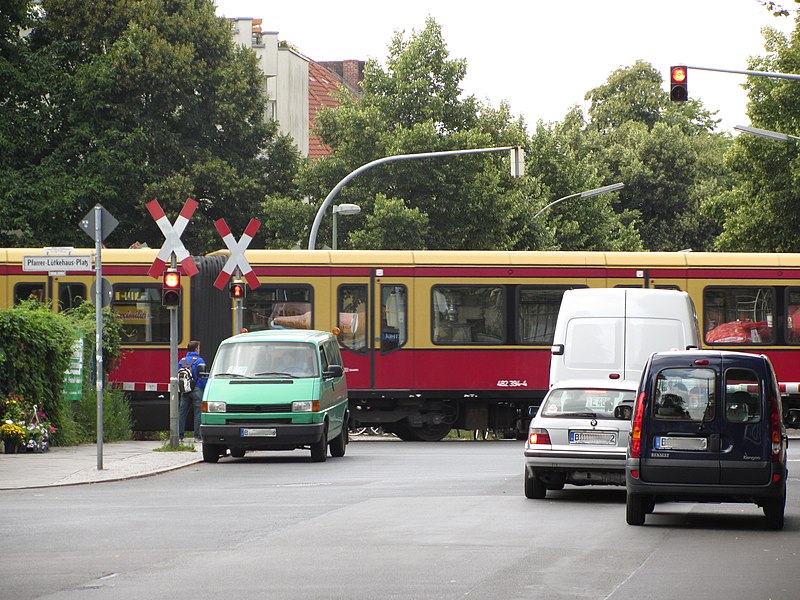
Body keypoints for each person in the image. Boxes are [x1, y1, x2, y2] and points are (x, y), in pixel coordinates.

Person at [178, 340, 207, 443]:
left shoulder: (182, 361)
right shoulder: (200, 361)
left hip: (185, 390)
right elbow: (202, 376)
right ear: (196, 349)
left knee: (182, 413)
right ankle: (197, 436)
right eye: (199, 348)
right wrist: (202, 387)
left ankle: (180, 436)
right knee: (198, 412)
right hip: (196, 389)